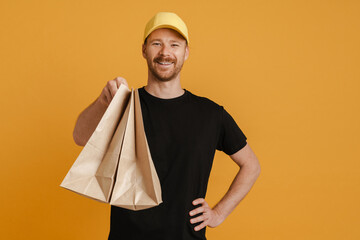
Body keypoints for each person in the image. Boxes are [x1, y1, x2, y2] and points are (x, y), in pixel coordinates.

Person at [73, 12, 261, 240]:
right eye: (156, 43)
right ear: (144, 50)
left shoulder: (211, 114)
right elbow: (80, 136)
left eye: (174, 44)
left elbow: (251, 165)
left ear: (186, 52)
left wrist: (219, 213)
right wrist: (103, 101)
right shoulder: (124, 106)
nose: (165, 52)